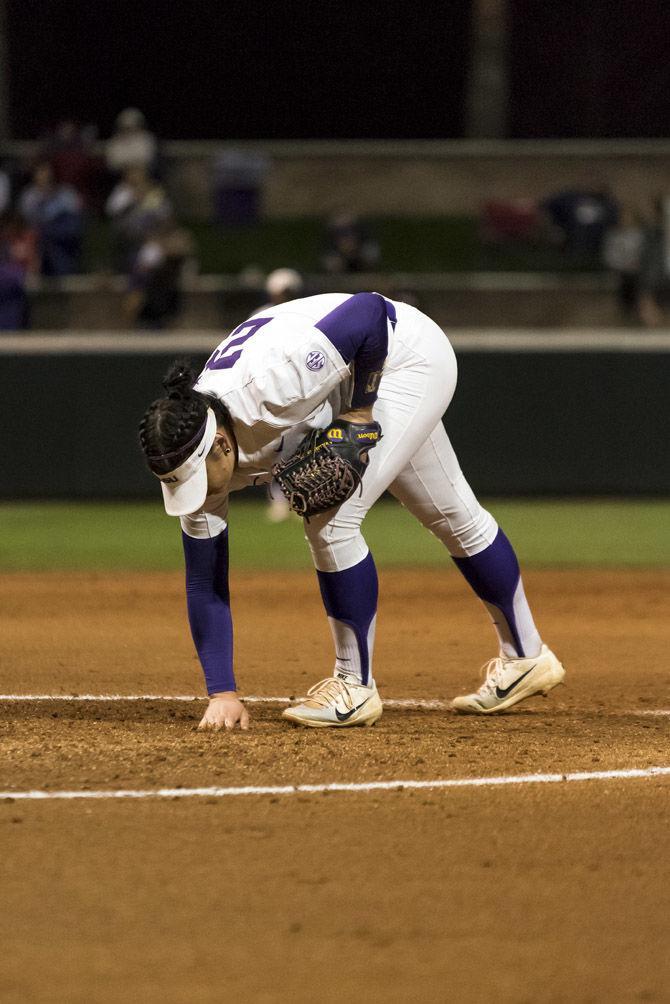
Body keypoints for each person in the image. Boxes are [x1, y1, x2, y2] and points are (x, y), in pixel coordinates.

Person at [139, 292, 565, 731]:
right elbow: (204, 581)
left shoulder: (270, 384)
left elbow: (369, 312)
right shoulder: (196, 446)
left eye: (195, 480)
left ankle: (353, 686)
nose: (195, 493)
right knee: (452, 513)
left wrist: (360, 411)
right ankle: (526, 656)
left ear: (222, 446)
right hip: (345, 382)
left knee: (331, 521)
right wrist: (222, 693)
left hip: (404, 357)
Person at [18, 162, 83, 276]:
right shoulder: (29, 196)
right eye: (41, 173)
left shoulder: (66, 193)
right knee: (43, 238)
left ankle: (63, 274)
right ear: (35, 176)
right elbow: (28, 221)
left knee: (65, 228)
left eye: (47, 173)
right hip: (39, 235)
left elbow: (74, 220)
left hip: (63, 236)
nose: (45, 176)